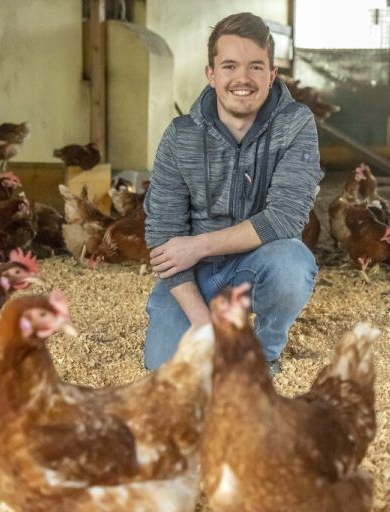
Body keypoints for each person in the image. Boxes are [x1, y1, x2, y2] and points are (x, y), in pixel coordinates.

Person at [143, 12, 322, 375]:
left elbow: (286, 217)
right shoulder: (181, 136)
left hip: (258, 262)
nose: (243, 78)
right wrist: (201, 322)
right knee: (165, 369)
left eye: (256, 67)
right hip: (195, 275)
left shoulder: (295, 124)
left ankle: (263, 354)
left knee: (293, 265)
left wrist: (197, 245)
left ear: (272, 75)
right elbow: (163, 236)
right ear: (211, 75)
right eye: (229, 66)